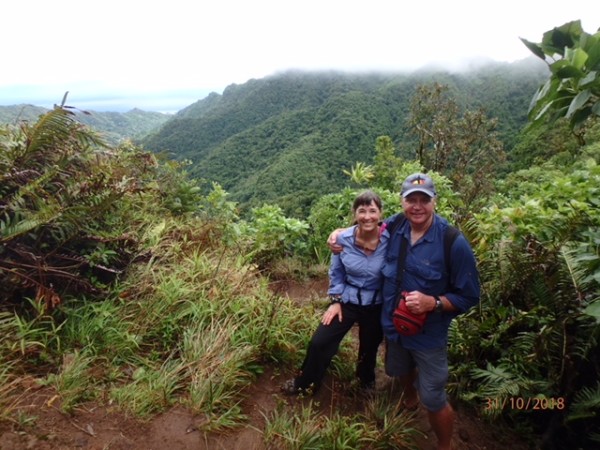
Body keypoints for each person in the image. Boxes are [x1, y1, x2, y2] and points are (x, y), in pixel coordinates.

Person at [328, 173, 480, 450]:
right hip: (394, 326)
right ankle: (408, 396)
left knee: (433, 397)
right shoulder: (396, 226)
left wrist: (432, 303)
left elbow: (469, 296)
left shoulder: (452, 242)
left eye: (425, 200)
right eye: (412, 200)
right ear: (402, 202)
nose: (417, 206)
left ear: (435, 202)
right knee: (399, 369)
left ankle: (445, 444)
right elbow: (366, 227)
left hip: (429, 336)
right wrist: (338, 234)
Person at [281, 190, 389, 395]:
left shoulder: (391, 241)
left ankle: (366, 382)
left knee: (370, 347)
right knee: (320, 341)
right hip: (347, 300)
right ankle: (305, 382)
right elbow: (336, 272)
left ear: (380, 214)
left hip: (376, 303)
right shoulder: (343, 239)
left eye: (373, 211)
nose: (367, 216)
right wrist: (336, 300)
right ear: (355, 214)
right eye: (362, 210)